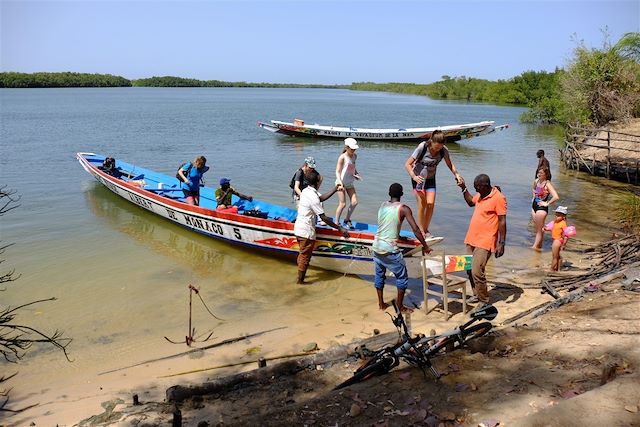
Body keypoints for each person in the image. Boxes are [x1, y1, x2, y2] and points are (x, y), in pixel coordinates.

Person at [372, 183, 431, 313]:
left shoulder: (382, 206)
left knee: (379, 276)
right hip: (389, 250)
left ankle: (381, 304)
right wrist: (425, 246)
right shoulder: (404, 208)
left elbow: (386, 225)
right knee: (402, 277)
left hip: (376, 246)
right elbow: (415, 229)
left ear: (389, 193)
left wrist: (399, 237)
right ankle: (400, 307)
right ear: (402, 194)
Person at [458, 174, 507, 308]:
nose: (476, 191)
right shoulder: (481, 194)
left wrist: (501, 243)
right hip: (472, 237)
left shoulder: (499, 198)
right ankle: (476, 294)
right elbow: (470, 202)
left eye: (477, 188)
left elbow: (502, 221)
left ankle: (484, 301)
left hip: (486, 240)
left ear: (485, 186)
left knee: (477, 270)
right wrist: (463, 188)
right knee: (469, 268)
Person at [293, 170, 349, 284]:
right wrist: (340, 228)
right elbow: (324, 218)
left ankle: (300, 277)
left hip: (298, 228)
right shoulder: (313, 196)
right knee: (305, 257)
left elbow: (321, 198)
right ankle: (300, 282)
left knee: (302, 254)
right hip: (306, 232)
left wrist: (334, 189)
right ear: (318, 182)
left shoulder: (306, 191)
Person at [404, 130, 463, 237]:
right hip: (418, 179)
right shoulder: (422, 147)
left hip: (430, 179)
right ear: (431, 141)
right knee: (422, 204)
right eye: (436, 147)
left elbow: (450, 164)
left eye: (440, 147)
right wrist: (414, 177)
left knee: (430, 204)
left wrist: (457, 174)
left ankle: (426, 230)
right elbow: (407, 164)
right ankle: (421, 231)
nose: (437, 150)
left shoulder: (443, 150)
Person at [531, 167, 559, 250]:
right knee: (538, 228)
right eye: (538, 172)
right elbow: (533, 189)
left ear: (546, 175)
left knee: (539, 230)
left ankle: (534, 248)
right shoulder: (536, 181)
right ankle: (539, 246)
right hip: (534, 206)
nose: (539, 174)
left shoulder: (547, 184)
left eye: (541, 173)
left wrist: (547, 203)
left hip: (541, 209)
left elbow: (556, 197)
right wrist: (533, 198)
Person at [335, 137, 361, 228]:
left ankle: (347, 219)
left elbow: (353, 166)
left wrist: (356, 174)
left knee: (355, 202)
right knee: (342, 204)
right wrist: (340, 183)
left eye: (354, 149)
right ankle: (337, 223)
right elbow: (337, 171)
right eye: (352, 149)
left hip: (350, 182)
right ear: (346, 147)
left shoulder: (355, 156)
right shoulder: (342, 157)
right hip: (341, 183)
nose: (353, 150)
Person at [547, 206, 569, 271]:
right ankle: (558, 269)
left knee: (554, 257)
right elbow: (552, 229)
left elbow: (566, 235)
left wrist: (564, 244)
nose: (556, 217)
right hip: (556, 240)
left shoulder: (563, 224)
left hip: (557, 241)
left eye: (558, 216)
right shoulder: (556, 222)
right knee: (558, 256)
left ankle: (551, 269)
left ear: (563, 217)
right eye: (556, 215)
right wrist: (546, 229)